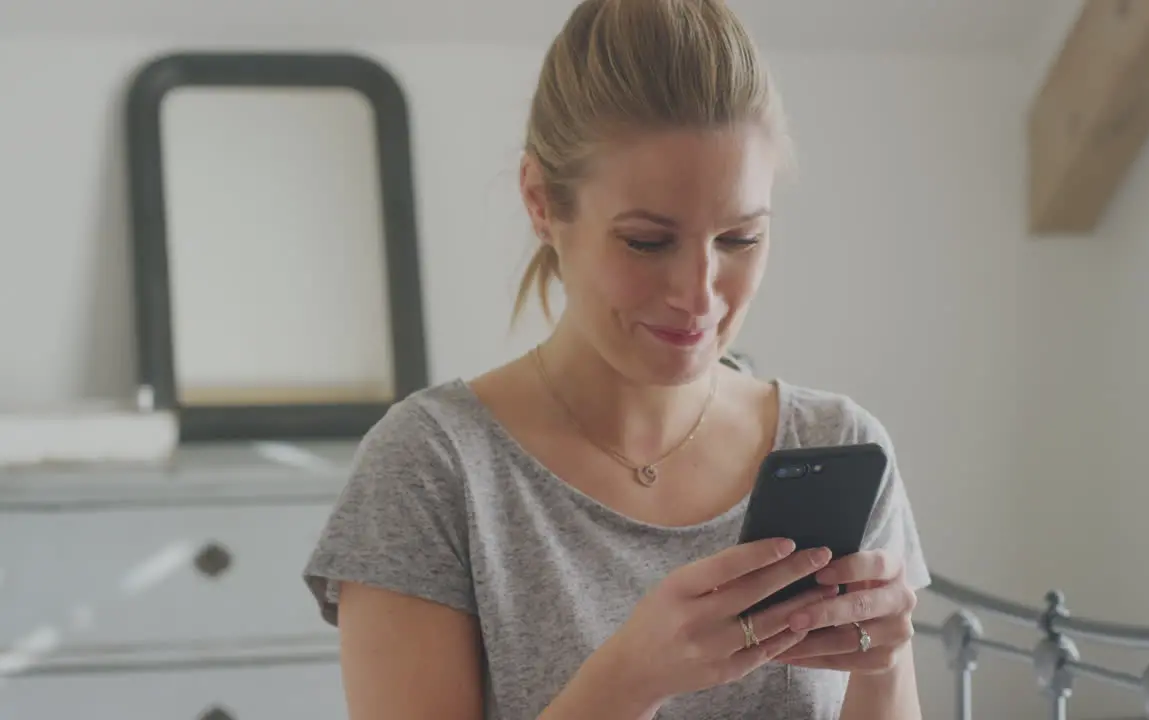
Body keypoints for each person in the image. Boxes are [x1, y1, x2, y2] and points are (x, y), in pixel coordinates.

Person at [302, 0, 932, 717]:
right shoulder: (432, 469)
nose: (699, 295)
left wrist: (877, 665)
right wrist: (631, 678)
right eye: (646, 241)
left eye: (739, 240)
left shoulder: (838, 445)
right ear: (541, 202)